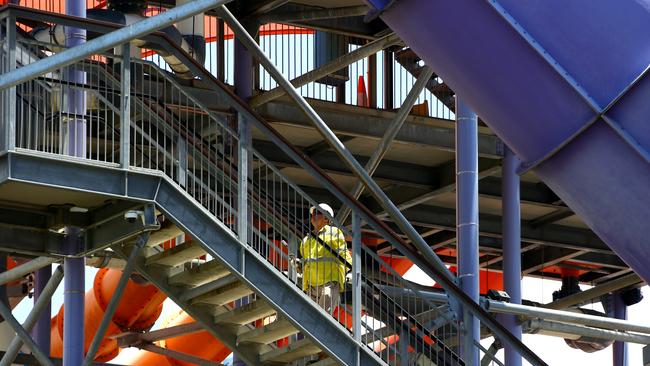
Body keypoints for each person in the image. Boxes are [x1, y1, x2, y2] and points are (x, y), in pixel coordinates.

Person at [299, 203, 351, 315]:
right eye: (312, 213)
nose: (313, 216)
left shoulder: (334, 233)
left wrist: (349, 271)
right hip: (312, 285)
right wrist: (298, 265)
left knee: (322, 318)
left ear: (327, 218)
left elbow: (344, 254)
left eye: (317, 213)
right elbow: (306, 262)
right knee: (310, 318)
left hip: (329, 281)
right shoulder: (306, 240)